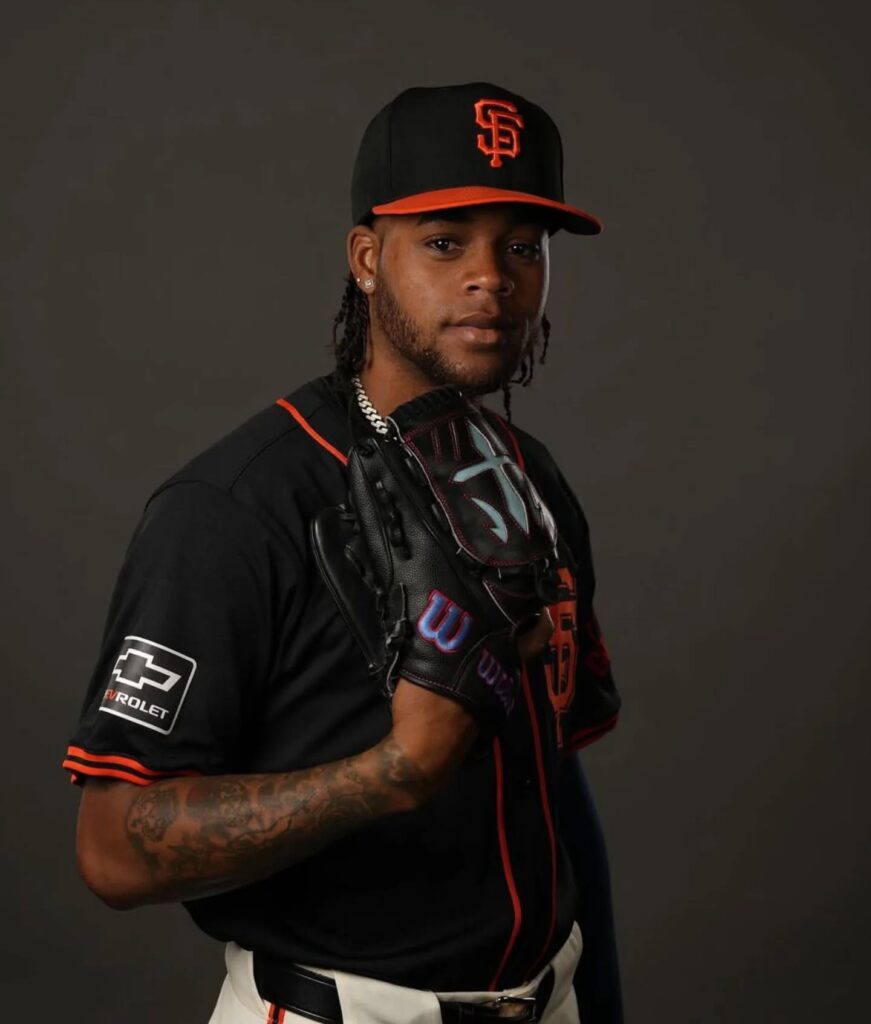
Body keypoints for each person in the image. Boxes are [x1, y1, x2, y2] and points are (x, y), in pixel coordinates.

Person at [64, 82, 623, 1024]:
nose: (490, 278)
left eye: (522, 246)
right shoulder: (234, 507)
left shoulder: (528, 476)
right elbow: (113, 850)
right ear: (367, 259)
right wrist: (394, 770)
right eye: (443, 242)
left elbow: (551, 780)